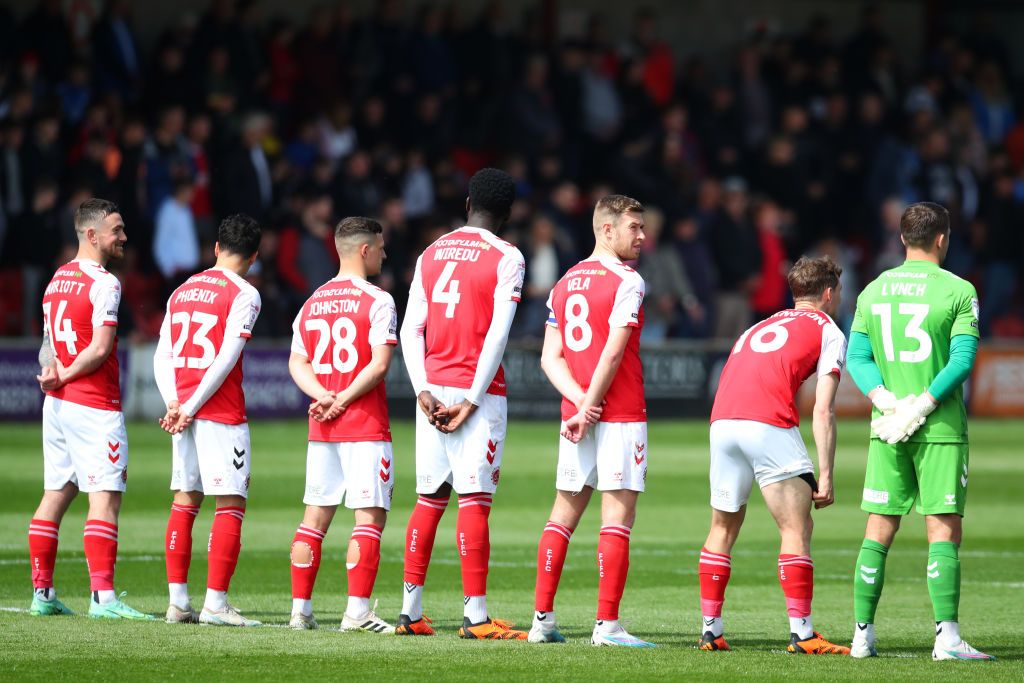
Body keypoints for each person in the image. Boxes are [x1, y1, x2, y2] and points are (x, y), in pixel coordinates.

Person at [845, 202, 993, 661]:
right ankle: (946, 639)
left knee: (878, 529)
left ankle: (861, 636)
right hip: (940, 428)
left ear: (902, 239)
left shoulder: (873, 290)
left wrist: (887, 402)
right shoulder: (958, 289)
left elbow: (857, 359)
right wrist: (925, 404)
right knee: (942, 529)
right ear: (942, 239)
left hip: (888, 428)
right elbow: (963, 360)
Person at [396, 168, 527, 639]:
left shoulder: (431, 252)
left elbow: (411, 328)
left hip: (431, 388)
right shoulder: (507, 256)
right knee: (474, 500)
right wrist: (472, 400)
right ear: (508, 214)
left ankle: (410, 612)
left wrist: (422, 390)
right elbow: (498, 333)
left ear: (468, 203)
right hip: (478, 392)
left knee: (429, 498)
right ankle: (475, 617)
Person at [699, 255, 849, 655]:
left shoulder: (759, 324)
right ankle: (803, 634)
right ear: (829, 293)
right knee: (795, 528)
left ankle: (711, 630)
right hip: (767, 423)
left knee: (723, 527)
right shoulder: (828, 329)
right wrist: (828, 473)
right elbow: (823, 408)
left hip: (722, 422)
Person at [527, 194, 655, 648]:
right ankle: (607, 626)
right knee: (616, 518)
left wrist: (579, 404)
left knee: (562, 516)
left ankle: (541, 622)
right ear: (606, 230)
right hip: (617, 413)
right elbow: (614, 351)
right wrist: (591, 404)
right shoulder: (628, 281)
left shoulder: (565, 281)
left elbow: (549, 358)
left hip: (576, 415)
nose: (642, 236)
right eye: (634, 227)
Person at [30, 198, 153, 620]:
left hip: (57, 407)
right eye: (116, 230)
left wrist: (50, 373)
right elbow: (100, 349)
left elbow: (48, 343)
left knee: (55, 494)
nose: (123, 237)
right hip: (94, 405)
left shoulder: (56, 280)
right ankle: (103, 599)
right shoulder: (105, 283)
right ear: (91, 234)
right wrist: (63, 375)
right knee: (105, 500)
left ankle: (42, 594)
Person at [286, 216, 397, 633]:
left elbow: (297, 361)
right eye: (381, 247)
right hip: (364, 425)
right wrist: (344, 399)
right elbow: (379, 364)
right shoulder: (378, 300)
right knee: (367, 520)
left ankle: (300, 611)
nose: (385, 254)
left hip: (323, 429)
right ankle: (357, 612)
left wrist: (322, 397)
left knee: (313, 520)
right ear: (365, 250)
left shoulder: (313, 301)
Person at [153, 214, 263, 627]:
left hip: (182, 411)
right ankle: (216, 603)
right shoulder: (245, 294)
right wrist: (193, 405)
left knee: (185, 500)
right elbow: (225, 358)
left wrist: (174, 404)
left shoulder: (181, 290)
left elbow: (162, 353)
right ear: (253, 256)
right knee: (230, 502)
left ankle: (178, 603)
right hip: (218, 410)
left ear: (215, 248)